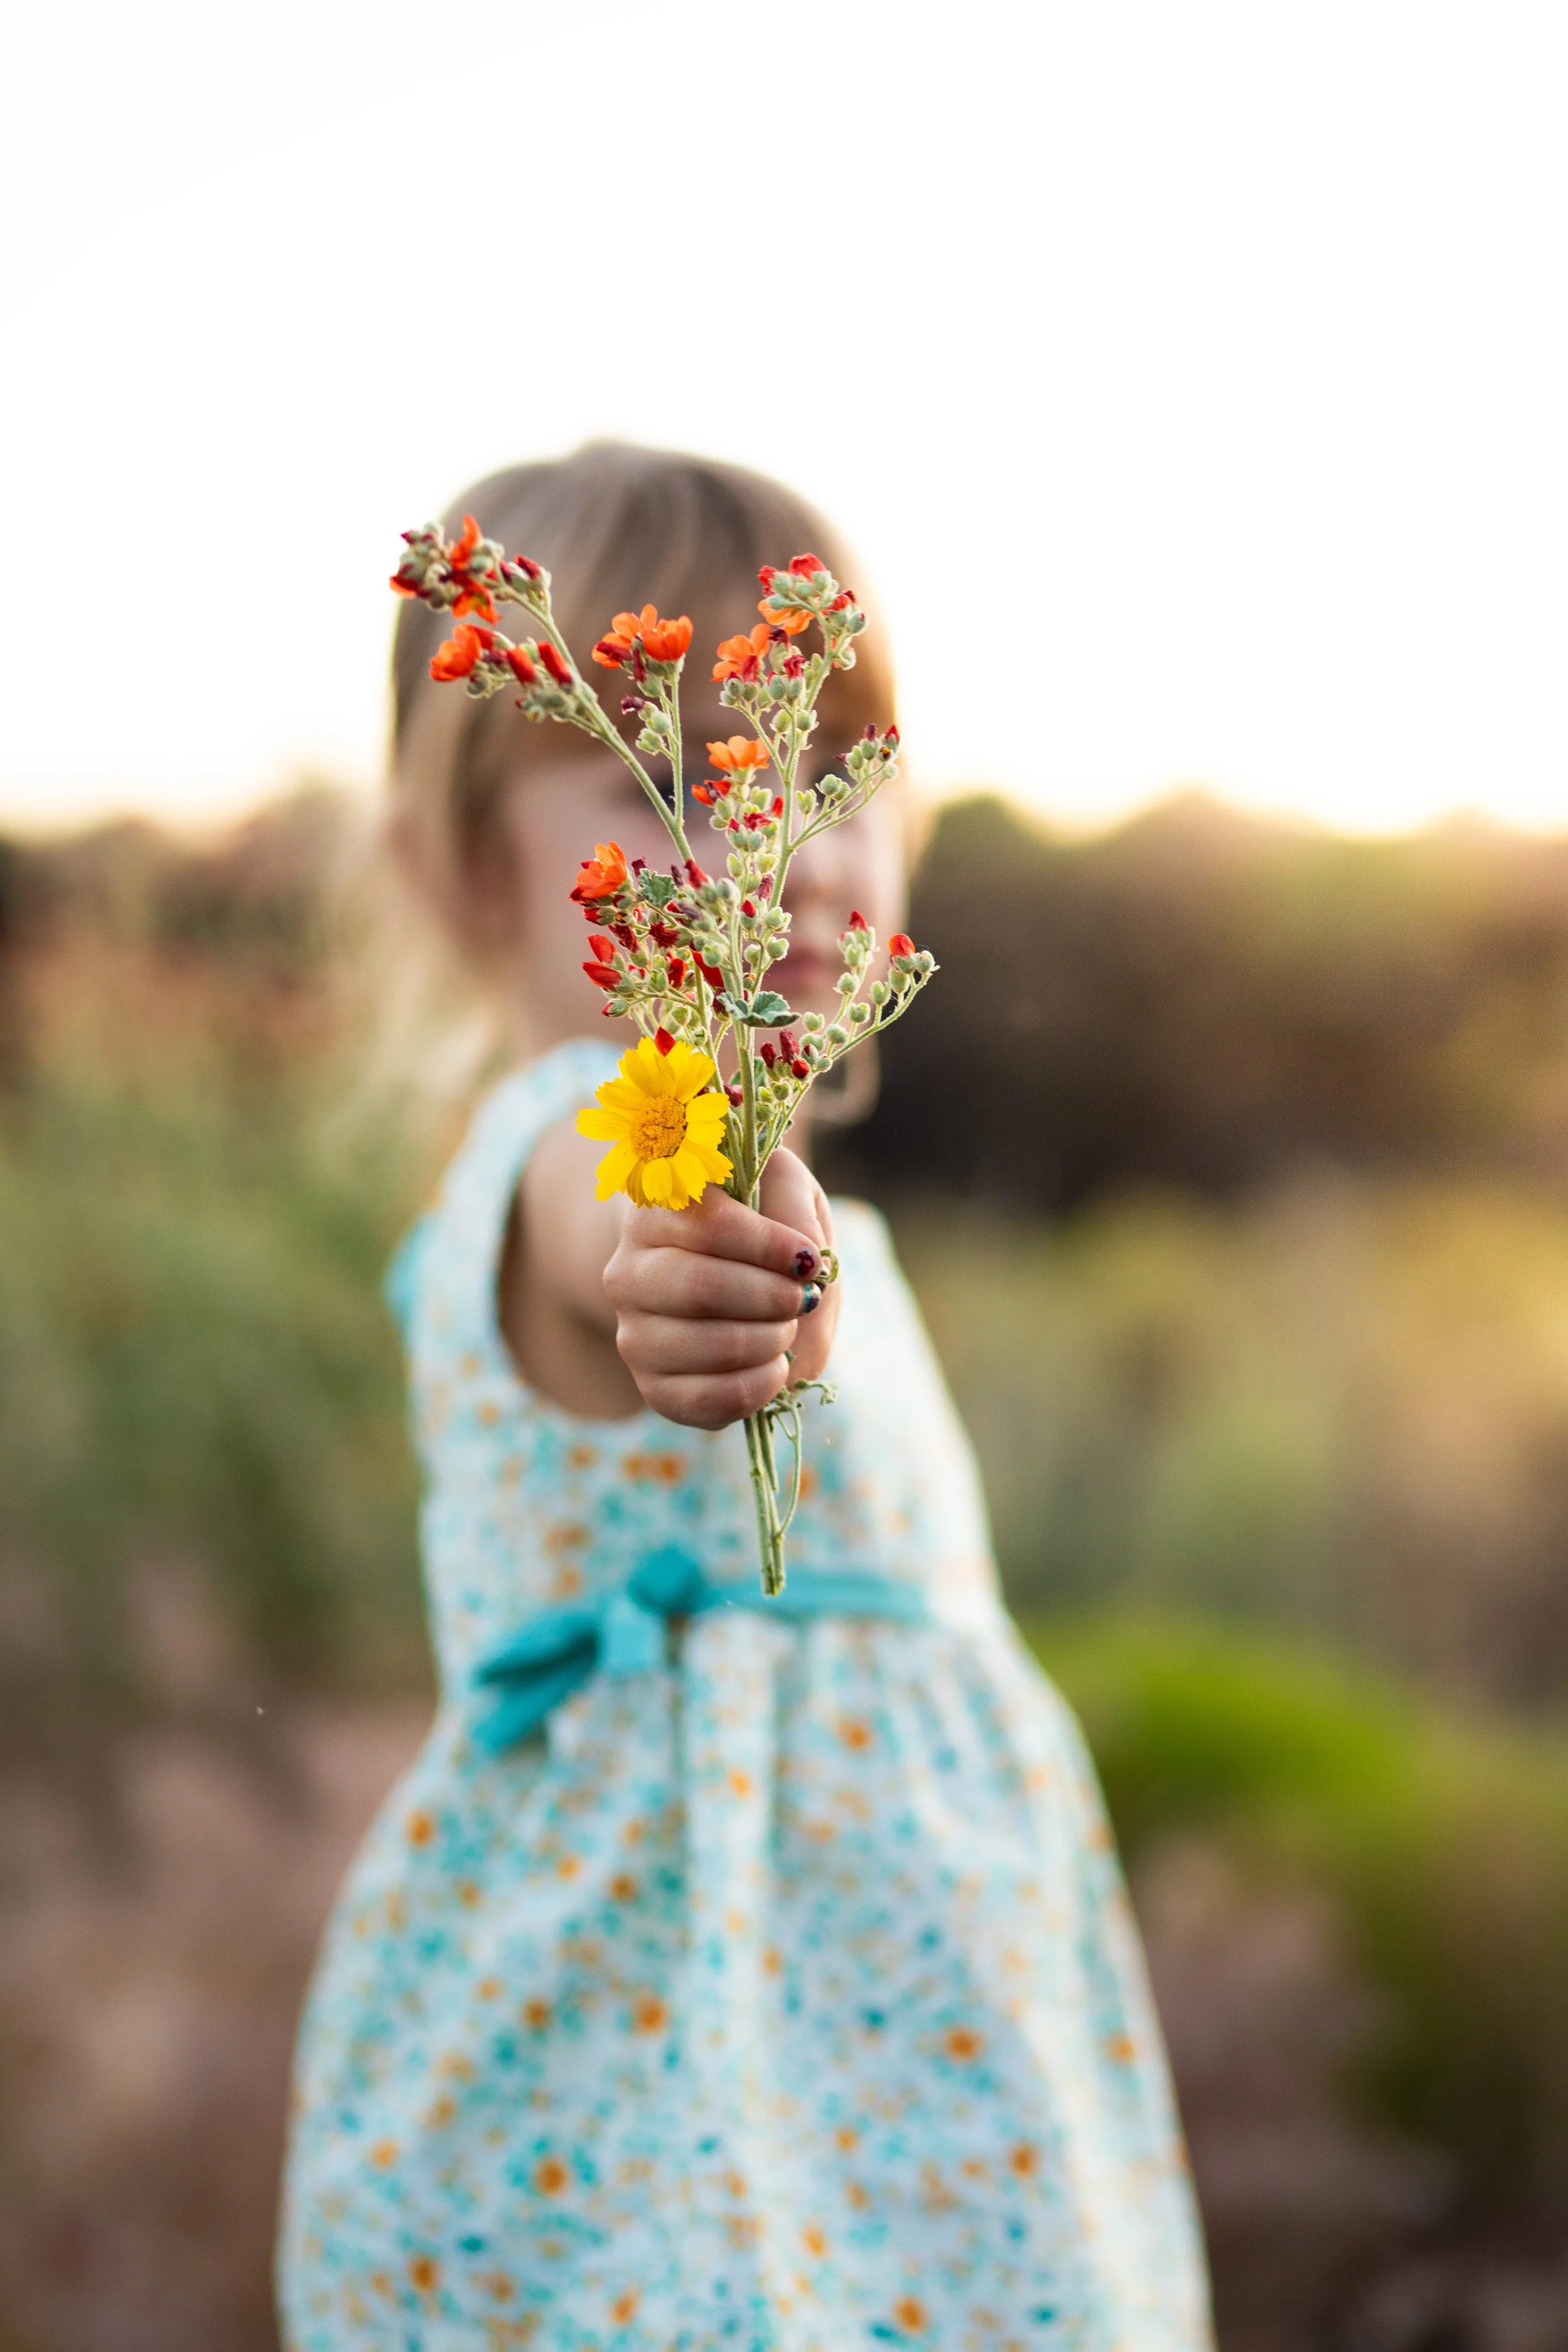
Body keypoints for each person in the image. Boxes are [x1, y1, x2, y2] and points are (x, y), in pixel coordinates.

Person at [277, 442, 1213, 2349]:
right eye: (683, 770)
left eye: (827, 754)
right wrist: (685, 1272)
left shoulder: (836, 1208)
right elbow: (611, 1224)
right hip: (660, 2093)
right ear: (463, 873)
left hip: (936, 2079)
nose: (780, 826)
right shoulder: (574, 1148)